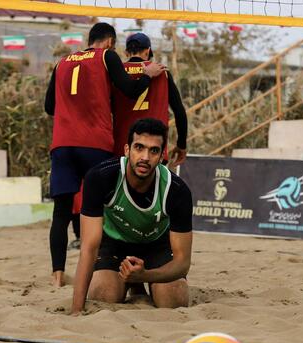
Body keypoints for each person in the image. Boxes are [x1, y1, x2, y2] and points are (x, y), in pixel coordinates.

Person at [45, 22, 167, 287]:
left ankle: (57, 276)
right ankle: (104, 270)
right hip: (94, 143)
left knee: (61, 213)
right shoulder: (106, 56)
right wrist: (148, 74)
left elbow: (49, 106)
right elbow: (131, 90)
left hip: (63, 143)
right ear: (111, 43)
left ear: (90, 39)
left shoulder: (63, 62)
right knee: (110, 209)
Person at [71, 118, 193, 314]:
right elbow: (89, 248)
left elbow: (182, 263)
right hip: (115, 244)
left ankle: (139, 282)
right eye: (139, 147)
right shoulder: (100, 177)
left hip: (156, 244)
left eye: (153, 151)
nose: (145, 156)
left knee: (175, 300)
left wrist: (146, 275)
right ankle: (128, 284)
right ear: (127, 150)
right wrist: (76, 310)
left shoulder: (176, 190)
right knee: (104, 295)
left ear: (162, 156)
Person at [112, 32, 188, 166]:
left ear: (125, 52)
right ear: (147, 51)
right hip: (154, 150)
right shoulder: (162, 72)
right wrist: (181, 145)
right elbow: (179, 111)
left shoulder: (117, 72)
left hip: (122, 149)